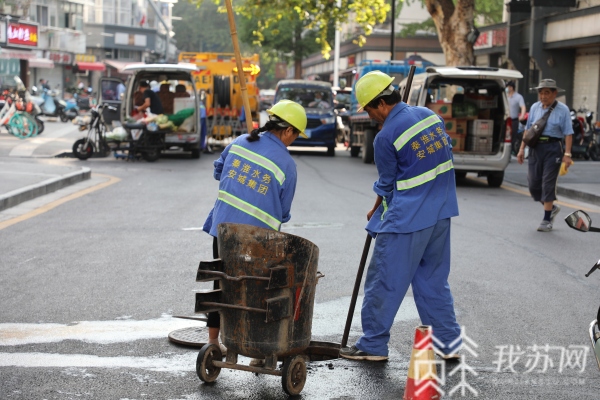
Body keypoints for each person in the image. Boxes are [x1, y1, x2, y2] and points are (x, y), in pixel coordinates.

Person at [339, 71, 461, 362]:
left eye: (369, 109)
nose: (369, 116)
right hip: (441, 213)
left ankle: (373, 344)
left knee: (384, 279)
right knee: (433, 281)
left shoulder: (385, 137)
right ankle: (447, 343)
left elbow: (387, 183)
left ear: (381, 103)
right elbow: (446, 154)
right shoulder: (430, 117)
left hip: (408, 219)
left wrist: (377, 208)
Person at [202, 100, 308, 363]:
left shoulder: (238, 143)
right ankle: (258, 351)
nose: (293, 140)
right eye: (295, 135)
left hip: (224, 231)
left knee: (221, 284)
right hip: (261, 241)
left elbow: (218, 171)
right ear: (287, 131)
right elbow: (283, 212)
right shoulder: (287, 164)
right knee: (259, 290)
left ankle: (214, 343)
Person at [516, 79, 573, 232]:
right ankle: (552, 208)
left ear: (554, 93)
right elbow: (528, 131)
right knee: (534, 185)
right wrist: (522, 149)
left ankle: (547, 219)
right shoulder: (535, 107)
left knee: (548, 184)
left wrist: (567, 154)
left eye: (546, 92)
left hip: (553, 149)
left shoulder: (563, 110)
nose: (543, 96)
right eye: (541, 92)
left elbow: (568, 133)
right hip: (535, 148)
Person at [507, 81, 526, 153]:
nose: (507, 88)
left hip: (514, 120)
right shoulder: (505, 95)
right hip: (506, 120)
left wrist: (522, 115)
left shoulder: (518, 97)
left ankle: (511, 150)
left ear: (511, 88)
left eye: (508, 87)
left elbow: (523, 107)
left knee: (513, 136)